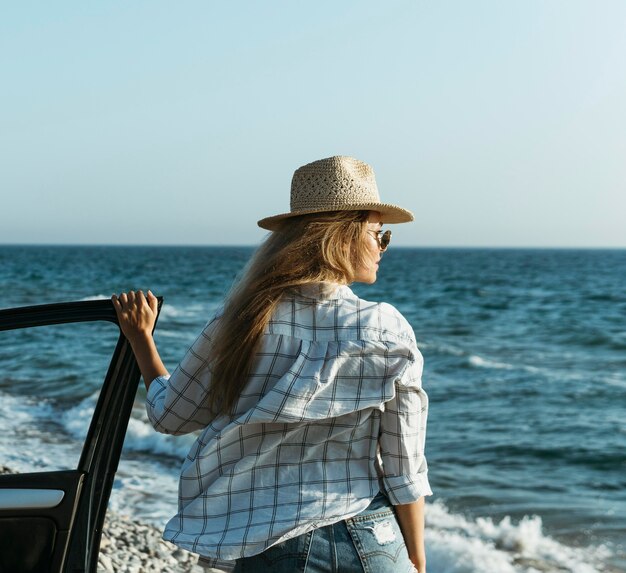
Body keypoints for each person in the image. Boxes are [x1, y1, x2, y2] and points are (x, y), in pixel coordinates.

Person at [112, 156, 432, 573]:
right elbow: (404, 466)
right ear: (344, 236)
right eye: (378, 234)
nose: (383, 247)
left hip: (275, 547)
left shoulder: (242, 322)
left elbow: (172, 415)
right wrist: (416, 559)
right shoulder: (387, 327)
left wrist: (141, 339)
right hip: (375, 540)